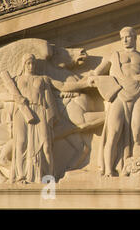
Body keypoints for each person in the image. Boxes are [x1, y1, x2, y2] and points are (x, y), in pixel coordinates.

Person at [10, 53, 92, 183]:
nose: (31, 66)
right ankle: (21, 175)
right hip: (22, 112)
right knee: (20, 143)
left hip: (40, 111)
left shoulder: (43, 79)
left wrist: (85, 83)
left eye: (33, 63)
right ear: (23, 65)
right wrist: (16, 98)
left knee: (46, 145)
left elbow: (63, 86)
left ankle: (48, 177)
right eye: (28, 63)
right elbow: (1, 95)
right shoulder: (15, 80)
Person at [90, 27, 140, 177]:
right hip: (119, 94)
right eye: (122, 38)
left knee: (137, 132)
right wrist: (92, 79)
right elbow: (95, 73)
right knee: (113, 132)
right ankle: (108, 170)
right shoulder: (113, 55)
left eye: (128, 37)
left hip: (139, 93)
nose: (125, 40)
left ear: (134, 37)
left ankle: (134, 168)